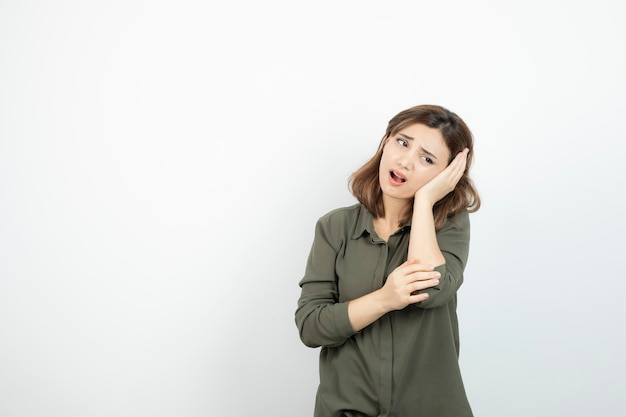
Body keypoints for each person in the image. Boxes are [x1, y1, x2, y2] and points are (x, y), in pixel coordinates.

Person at [295, 104, 481, 417]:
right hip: (346, 410)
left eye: (427, 159)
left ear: (447, 175)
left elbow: (432, 292)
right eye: (402, 142)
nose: (405, 161)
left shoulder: (450, 226)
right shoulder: (335, 227)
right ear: (385, 142)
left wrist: (423, 202)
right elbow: (311, 327)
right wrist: (385, 299)